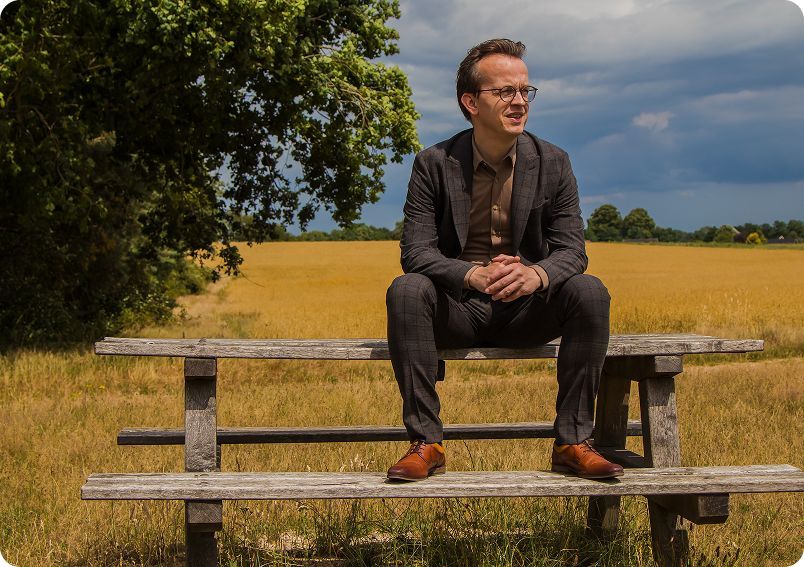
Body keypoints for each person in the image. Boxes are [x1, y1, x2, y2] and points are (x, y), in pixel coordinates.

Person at [385, 38, 623, 482]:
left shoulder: (554, 162)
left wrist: (536, 274)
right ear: (470, 102)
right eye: (505, 92)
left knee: (589, 291)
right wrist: (472, 275)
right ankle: (426, 442)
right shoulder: (433, 163)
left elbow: (573, 250)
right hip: (458, 308)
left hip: (526, 309)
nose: (519, 102)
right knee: (407, 289)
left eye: (525, 91)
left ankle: (573, 442)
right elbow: (415, 253)